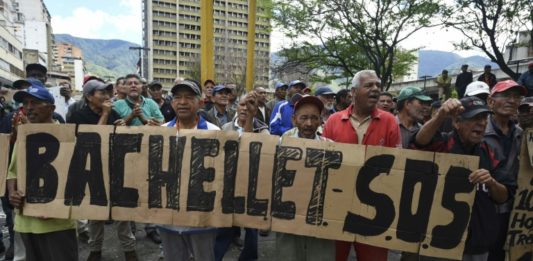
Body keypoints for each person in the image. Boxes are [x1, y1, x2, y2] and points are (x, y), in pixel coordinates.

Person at [413, 96, 512, 261]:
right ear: (456, 123)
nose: (481, 123)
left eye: (484, 118)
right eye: (474, 118)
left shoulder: (490, 152)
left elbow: (504, 196)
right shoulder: (441, 144)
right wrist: (441, 114)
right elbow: (419, 142)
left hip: (477, 244)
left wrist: (492, 183)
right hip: (438, 243)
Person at [323, 70, 401, 261]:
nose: (375, 89)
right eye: (369, 85)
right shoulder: (333, 121)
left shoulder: (390, 121)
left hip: (375, 211)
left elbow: (397, 165)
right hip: (337, 207)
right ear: (353, 92)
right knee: (332, 256)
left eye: (377, 86)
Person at [67, 80, 137, 261]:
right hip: (91, 169)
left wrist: (122, 127)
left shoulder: (113, 113)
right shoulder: (78, 115)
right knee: (94, 213)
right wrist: (105, 115)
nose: (107, 97)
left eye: (108, 93)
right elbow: (90, 139)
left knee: (122, 211)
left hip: (114, 167)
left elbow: (117, 138)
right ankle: (95, 249)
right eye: (101, 93)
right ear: (89, 97)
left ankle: (129, 250)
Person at [7, 83, 78, 261]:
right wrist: (12, 193)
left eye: (35, 102)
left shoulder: (67, 137)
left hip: (57, 224)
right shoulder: (23, 135)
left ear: (52, 108)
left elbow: (80, 178)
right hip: (25, 222)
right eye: (26, 103)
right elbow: (12, 171)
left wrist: (58, 205)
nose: (29, 107)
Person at [159, 79, 219, 261]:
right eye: (177, 97)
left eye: (189, 97)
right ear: (172, 103)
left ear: (200, 103)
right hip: (168, 218)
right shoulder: (159, 133)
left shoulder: (214, 132)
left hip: (201, 219)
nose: (183, 102)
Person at [276, 95, 335, 260]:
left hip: (319, 218)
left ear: (321, 120)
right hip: (287, 218)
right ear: (294, 120)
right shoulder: (281, 145)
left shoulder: (330, 146)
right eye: (304, 118)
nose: (309, 123)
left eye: (314, 118)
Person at [216, 92, 267, 261]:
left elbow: (253, 149)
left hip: (251, 186)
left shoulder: (264, 131)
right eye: (243, 104)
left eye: (250, 105)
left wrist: (251, 119)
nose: (246, 108)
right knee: (224, 226)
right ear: (236, 106)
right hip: (228, 185)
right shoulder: (225, 128)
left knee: (251, 228)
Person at [485, 80, 524, 261]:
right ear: (491, 102)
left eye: (516, 97)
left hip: (511, 210)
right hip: (483, 209)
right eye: (506, 95)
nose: (512, 100)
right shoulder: (478, 130)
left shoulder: (521, 134)